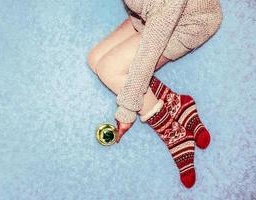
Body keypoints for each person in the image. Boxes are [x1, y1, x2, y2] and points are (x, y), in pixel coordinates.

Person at [87, 0, 222, 188]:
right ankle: (175, 102)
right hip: (152, 15)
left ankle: (172, 131)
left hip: (188, 24)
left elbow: (149, 52)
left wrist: (127, 109)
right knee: (95, 59)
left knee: (110, 70)